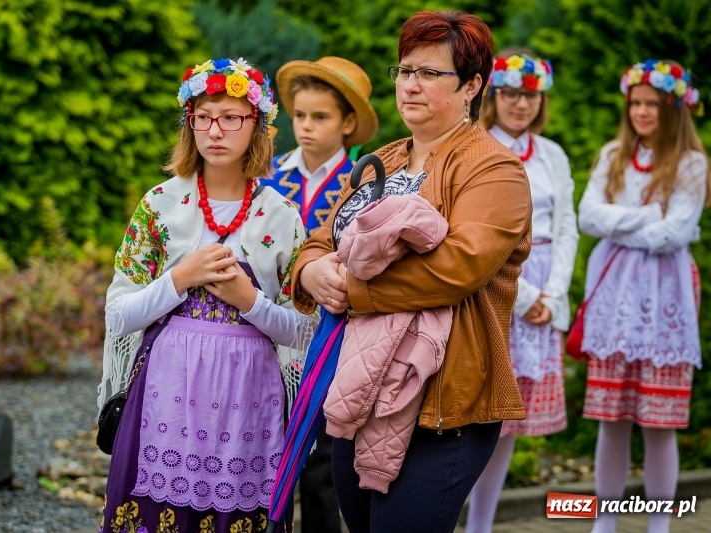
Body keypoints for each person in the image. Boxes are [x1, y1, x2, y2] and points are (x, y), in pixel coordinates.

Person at [289, 10, 533, 533]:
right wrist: (310, 273)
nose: (411, 86)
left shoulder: (494, 168)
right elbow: (320, 239)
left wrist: (352, 291)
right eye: (405, 71)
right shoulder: (383, 159)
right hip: (359, 388)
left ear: (472, 86)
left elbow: (457, 267)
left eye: (429, 74)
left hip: (443, 402)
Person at [97, 57, 308, 533]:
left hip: (249, 403)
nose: (216, 130)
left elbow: (305, 331)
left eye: (232, 117)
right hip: (165, 396)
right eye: (203, 116)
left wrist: (248, 301)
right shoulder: (160, 204)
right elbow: (117, 316)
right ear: (188, 123)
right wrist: (180, 278)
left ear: (257, 126)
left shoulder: (282, 215)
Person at [577, 59, 708, 533]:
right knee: (610, 418)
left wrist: (623, 223)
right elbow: (587, 217)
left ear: (674, 108)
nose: (642, 112)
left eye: (653, 104)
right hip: (616, 302)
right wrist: (646, 213)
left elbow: (677, 232)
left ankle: (659, 524)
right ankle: (605, 520)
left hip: (664, 300)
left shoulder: (692, 163)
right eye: (636, 103)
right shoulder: (614, 154)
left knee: (659, 420)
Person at [465, 49, 579, 532]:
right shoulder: (477, 146)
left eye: (529, 95)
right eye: (510, 93)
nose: (519, 104)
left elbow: (568, 226)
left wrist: (554, 296)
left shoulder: (552, 153)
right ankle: (462, 516)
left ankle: (484, 524)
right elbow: (480, 230)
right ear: (493, 95)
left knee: (509, 420)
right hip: (499, 283)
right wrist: (528, 296)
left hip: (545, 286)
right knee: (482, 413)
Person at [271, 55, 379, 533]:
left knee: (322, 469)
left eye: (321, 116)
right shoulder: (269, 175)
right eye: (299, 115)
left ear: (348, 123)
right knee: (267, 454)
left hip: (335, 339)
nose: (307, 127)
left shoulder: (366, 184)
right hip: (271, 334)